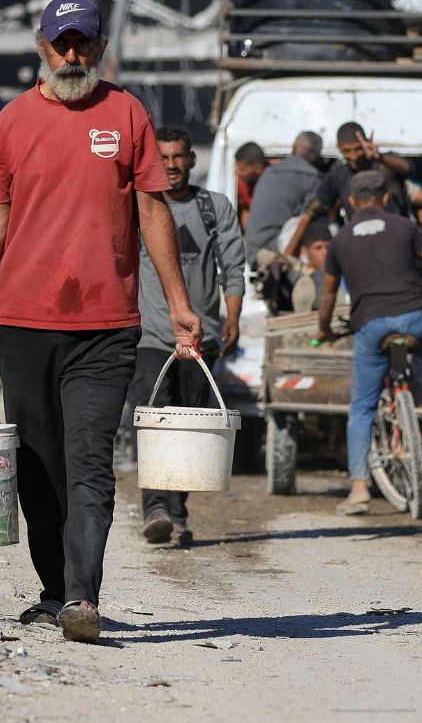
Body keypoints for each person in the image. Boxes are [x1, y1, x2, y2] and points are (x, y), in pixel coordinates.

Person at [0, 0, 201, 645]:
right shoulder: (11, 122)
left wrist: (177, 305)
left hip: (105, 327)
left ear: (100, 45)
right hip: (22, 324)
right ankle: (53, 589)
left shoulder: (126, 114)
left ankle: (83, 596)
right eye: (61, 43)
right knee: (36, 463)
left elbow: (152, 213)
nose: (72, 55)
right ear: (41, 45)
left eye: (83, 42)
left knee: (88, 459)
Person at [316, 171, 422, 517]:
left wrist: (324, 331)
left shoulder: (341, 240)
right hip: (416, 319)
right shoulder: (405, 227)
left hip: (372, 326)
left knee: (362, 408)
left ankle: (360, 488)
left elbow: (329, 294)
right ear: (384, 198)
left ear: (350, 202)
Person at [132, 125, 246, 547]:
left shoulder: (213, 208)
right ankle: (156, 509)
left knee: (191, 429)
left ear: (192, 160)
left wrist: (231, 316)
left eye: (178, 157)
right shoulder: (139, 206)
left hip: (202, 340)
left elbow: (234, 267)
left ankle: (176, 513)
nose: (171, 165)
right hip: (149, 337)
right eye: (162, 158)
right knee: (155, 422)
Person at [283, 122, 414, 258]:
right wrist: (287, 255)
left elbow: (406, 168)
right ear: (339, 148)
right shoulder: (339, 175)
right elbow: (312, 210)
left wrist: (380, 158)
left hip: (397, 241)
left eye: (358, 149)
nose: (353, 156)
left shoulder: (384, 164)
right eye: (347, 151)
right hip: (363, 247)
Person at [244, 130, 325, 261]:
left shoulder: (269, 172)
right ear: (317, 155)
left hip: (251, 249)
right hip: (274, 251)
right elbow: (306, 219)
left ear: (293, 148)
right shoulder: (312, 178)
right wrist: (286, 259)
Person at [287, 222, 335, 314]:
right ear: (305, 250)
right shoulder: (297, 276)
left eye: (328, 247)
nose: (325, 253)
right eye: (318, 248)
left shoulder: (341, 272)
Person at [232, 142, 267, 230]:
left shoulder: (275, 181)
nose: (237, 173)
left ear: (258, 168)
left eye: (242, 169)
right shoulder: (242, 185)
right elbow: (246, 210)